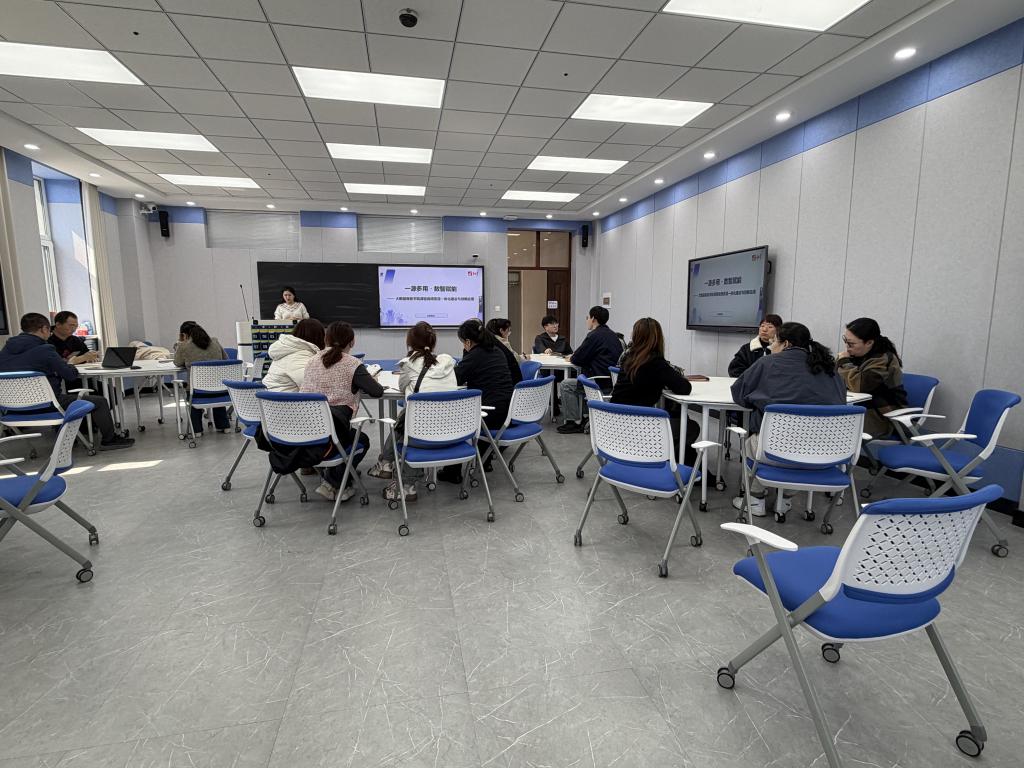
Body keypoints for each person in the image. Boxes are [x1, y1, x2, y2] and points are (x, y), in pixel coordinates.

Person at [730, 321, 846, 517]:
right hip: (823, 453)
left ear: (786, 344)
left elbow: (739, 394)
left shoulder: (767, 363)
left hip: (774, 449)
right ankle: (785, 499)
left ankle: (756, 500)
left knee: (751, 445)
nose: (771, 346)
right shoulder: (830, 370)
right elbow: (841, 402)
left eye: (774, 341)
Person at [0, 313, 133, 450]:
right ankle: (109, 440)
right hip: (47, 405)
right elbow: (70, 375)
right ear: (44, 329)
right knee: (100, 401)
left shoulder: (4, 351)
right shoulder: (45, 349)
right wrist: (70, 363)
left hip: (10, 410)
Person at [368, 321, 458, 502]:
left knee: (408, 418)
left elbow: (402, 388)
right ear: (433, 342)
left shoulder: (408, 364)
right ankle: (388, 465)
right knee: (411, 416)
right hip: (453, 432)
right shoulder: (448, 363)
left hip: (421, 435)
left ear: (410, 343)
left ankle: (401, 480)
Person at [301, 321, 383, 501]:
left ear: (326, 339)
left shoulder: (311, 361)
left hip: (305, 431)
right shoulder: (352, 364)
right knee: (361, 440)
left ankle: (333, 478)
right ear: (352, 342)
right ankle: (334, 481)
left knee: (348, 440)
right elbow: (377, 392)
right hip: (334, 431)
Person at [611, 317, 701, 467]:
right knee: (690, 427)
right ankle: (675, 465)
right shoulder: (656, 362)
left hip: (616, 422)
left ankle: (682, 464)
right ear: (658, 338)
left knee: (678, 422)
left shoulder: (629, 358)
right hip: (638, 428)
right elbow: (685, 388)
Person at [435, 319, 515, 483]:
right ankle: (484, 462)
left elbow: (455, 378)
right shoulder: (496, 351)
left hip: (489, 414)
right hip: (507, 411)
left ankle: (452, 471)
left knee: (455, 419)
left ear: (468, 341)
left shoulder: (475, 355)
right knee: (480, 409)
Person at [836, 317, 907, 438]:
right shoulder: (858, 354)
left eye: (851, 344)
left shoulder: (882, 359)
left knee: (833, 428)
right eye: (845, 341)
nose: (847, 347)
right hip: (861, 408)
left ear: (869, 343)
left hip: (883, 415)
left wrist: (844, 362)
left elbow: (859, 385)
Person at [557, 306, 621, 434]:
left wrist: (572, 357)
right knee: (578, 381)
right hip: (612, 381)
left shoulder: (594, 335)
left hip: (598, 381)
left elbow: (578, 358)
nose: (587, 320)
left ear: (593, 319)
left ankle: (574, 422)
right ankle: (585, 417)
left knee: (566, 385)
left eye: (588, 317)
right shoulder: (613, 335)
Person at [173, 321, 230, 436]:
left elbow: (177, 363)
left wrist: (179, 345)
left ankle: (197, 430)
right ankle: (223, 426)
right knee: (214, 386)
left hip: (197, 393)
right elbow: (226, 358)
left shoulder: (184, 346)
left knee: (193, 390)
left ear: (184, 335)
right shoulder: (215, 341)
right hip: (219, 390)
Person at [263, 318, 325, 393]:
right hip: (287, 399)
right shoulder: (300, 357)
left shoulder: (289, 350)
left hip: (273, 397)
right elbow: (312, 387)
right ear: (318, 337)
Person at [47, 310, 98, 392]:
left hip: (81, 377)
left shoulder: (75, 340)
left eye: (76, 326)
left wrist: (91, 357)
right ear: (58, 324)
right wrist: (82, 358)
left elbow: (87, 354)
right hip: (62, 381)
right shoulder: (47, 340)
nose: (74, 329)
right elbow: (58, 363)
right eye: (71, 325)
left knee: (111, 392)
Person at [485, 318, 525, 387]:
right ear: (501, 331)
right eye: (508, 330)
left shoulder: (487, 341)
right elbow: (515, 359)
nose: (510, 333)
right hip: (509, 382)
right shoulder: (502, 342)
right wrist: (523, 358)